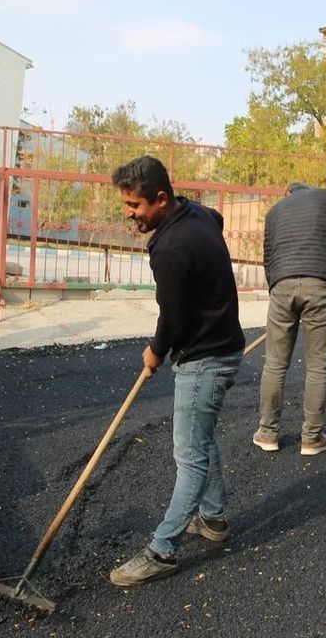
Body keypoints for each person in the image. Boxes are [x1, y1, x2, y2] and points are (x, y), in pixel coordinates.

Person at [108, 155, 245, 587]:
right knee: (201, 441)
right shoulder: (197, 212)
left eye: (135, 206)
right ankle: (213, 519)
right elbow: (217, 219)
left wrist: (156, 350)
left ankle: (162, 549)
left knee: (189, 455)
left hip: (205, 359)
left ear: (162, 199)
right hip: (223, 346)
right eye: (127, 204)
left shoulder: (169, 249)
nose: (129, 213)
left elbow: (174, 317)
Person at [254, 182, 326, 456]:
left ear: (288, 194)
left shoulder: (275, 211)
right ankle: (311, 438)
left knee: (275, 364)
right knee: (317, 366)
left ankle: (267, 433)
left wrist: (277, 289)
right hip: (320, 287)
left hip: (282, 287)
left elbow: (268, 257)